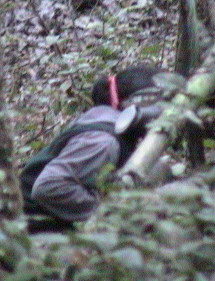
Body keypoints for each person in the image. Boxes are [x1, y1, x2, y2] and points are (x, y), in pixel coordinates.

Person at [20, 65, 162, 232]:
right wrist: (110, 213)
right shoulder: (104, 140)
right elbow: (48, 187)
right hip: (33, 232)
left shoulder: (102, 120)